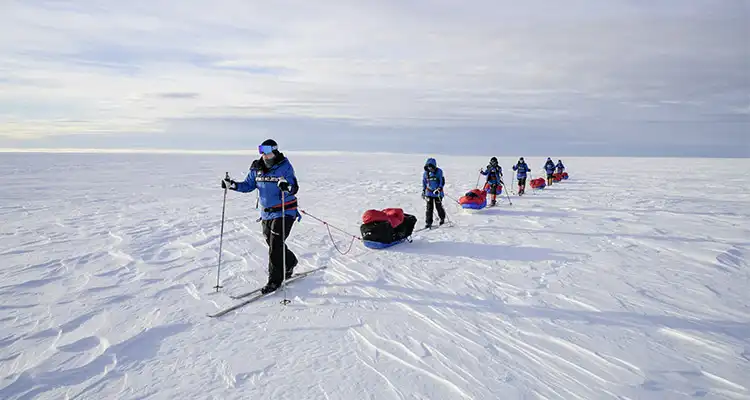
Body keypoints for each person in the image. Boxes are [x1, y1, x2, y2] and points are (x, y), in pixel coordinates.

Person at [221, 139, 300, 294]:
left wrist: (286, 187)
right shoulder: (256, 168)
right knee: (273, 244)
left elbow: (293, 187)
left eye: (266, 150)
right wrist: (233, 185)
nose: (263, 154)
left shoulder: (284, 166)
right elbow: (248, 186)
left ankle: (275, 280)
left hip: (285, 211)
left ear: (275, 151)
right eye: (261, 150)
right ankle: (290, 262)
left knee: (275, 244)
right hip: (266, 213)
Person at [422, 158, 446, 229]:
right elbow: (424, 182)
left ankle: (442, 218)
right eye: (429, 167)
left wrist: (439, 188)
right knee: (429, 208)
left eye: (431, 167)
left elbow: (441, 181)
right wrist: (423, 191)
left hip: (438, 193)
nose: (430, 169)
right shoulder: (425, 174)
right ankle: (428, 222)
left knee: (438, 206)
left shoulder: (439, 172)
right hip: (429, 193)